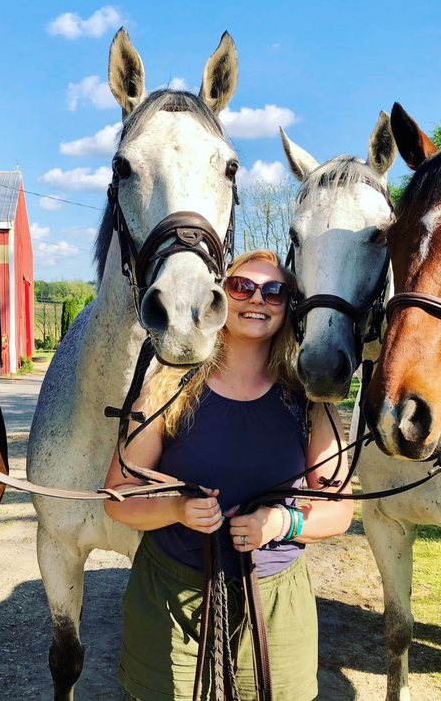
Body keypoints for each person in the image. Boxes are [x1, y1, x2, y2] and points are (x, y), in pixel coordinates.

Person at [103, 249, 354, 701]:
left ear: (288, 306)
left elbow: (340, 512)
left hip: (274, 600)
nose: (258, 299)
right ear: (218, 297)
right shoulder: (166, 387)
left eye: (275, 291)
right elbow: (116, 496)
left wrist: (281, 523)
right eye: (242, 287)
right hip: (174, 596)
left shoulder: (310, 401)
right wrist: (177, 509)